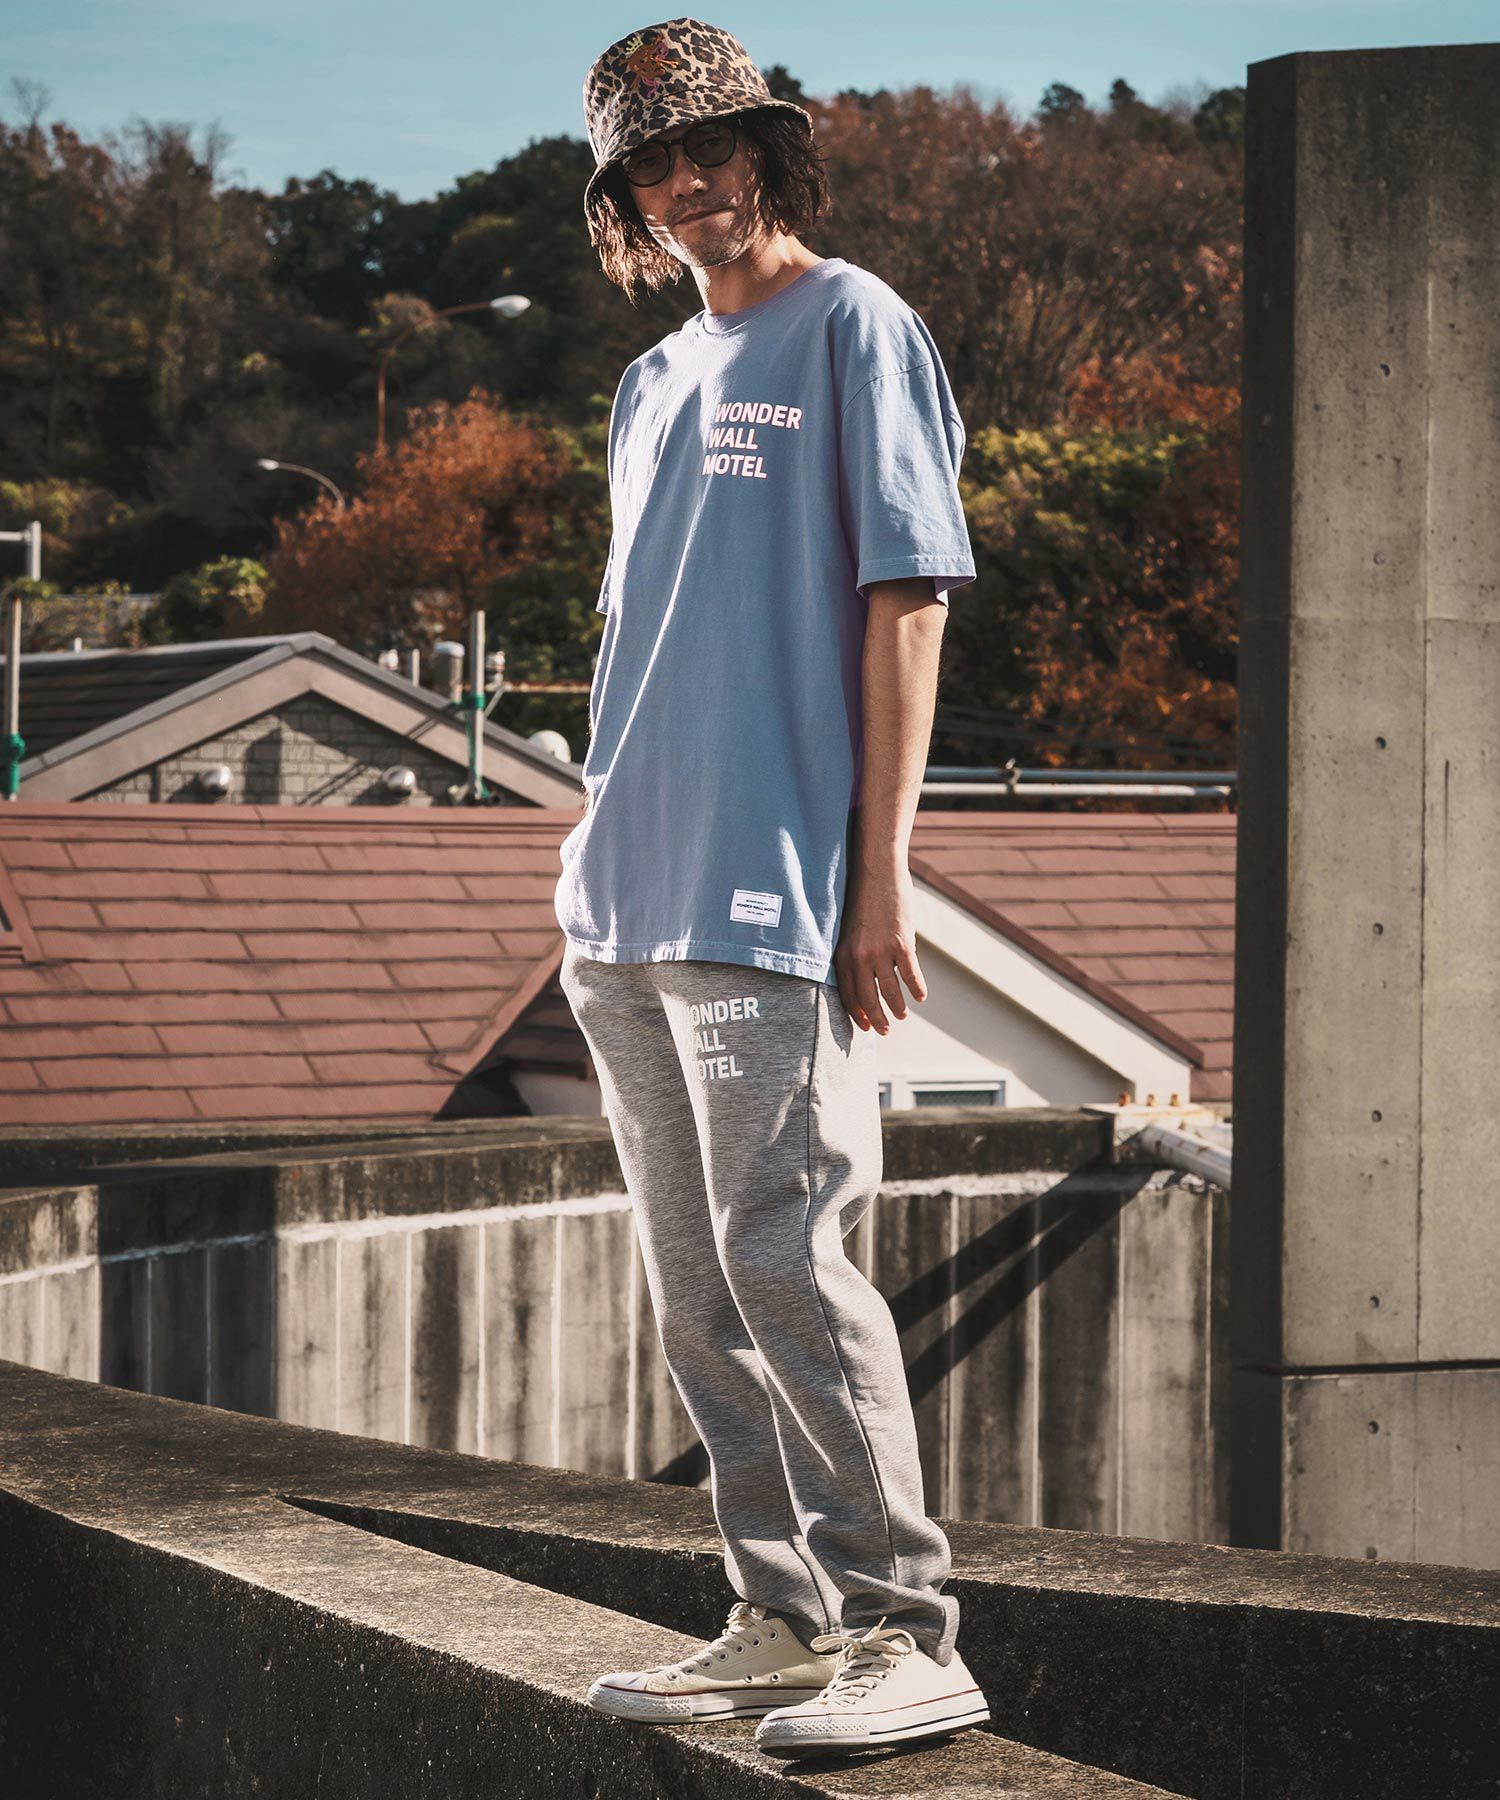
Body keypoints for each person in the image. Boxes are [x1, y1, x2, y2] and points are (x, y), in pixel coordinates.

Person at [556, 16, 989, 1759]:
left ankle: (905, 1629)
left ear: (768, 151)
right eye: (651, 163)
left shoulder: (854, 323)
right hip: (620, 903)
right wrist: (585, 855)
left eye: (710, 145)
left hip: (768, 885)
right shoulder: (650, 383)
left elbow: (909, 601)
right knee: (700, 1291)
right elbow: (641, 645)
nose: (687, 181)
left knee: (787, 1261)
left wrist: (880, 877)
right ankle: (782, 1618)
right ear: (627, 198)